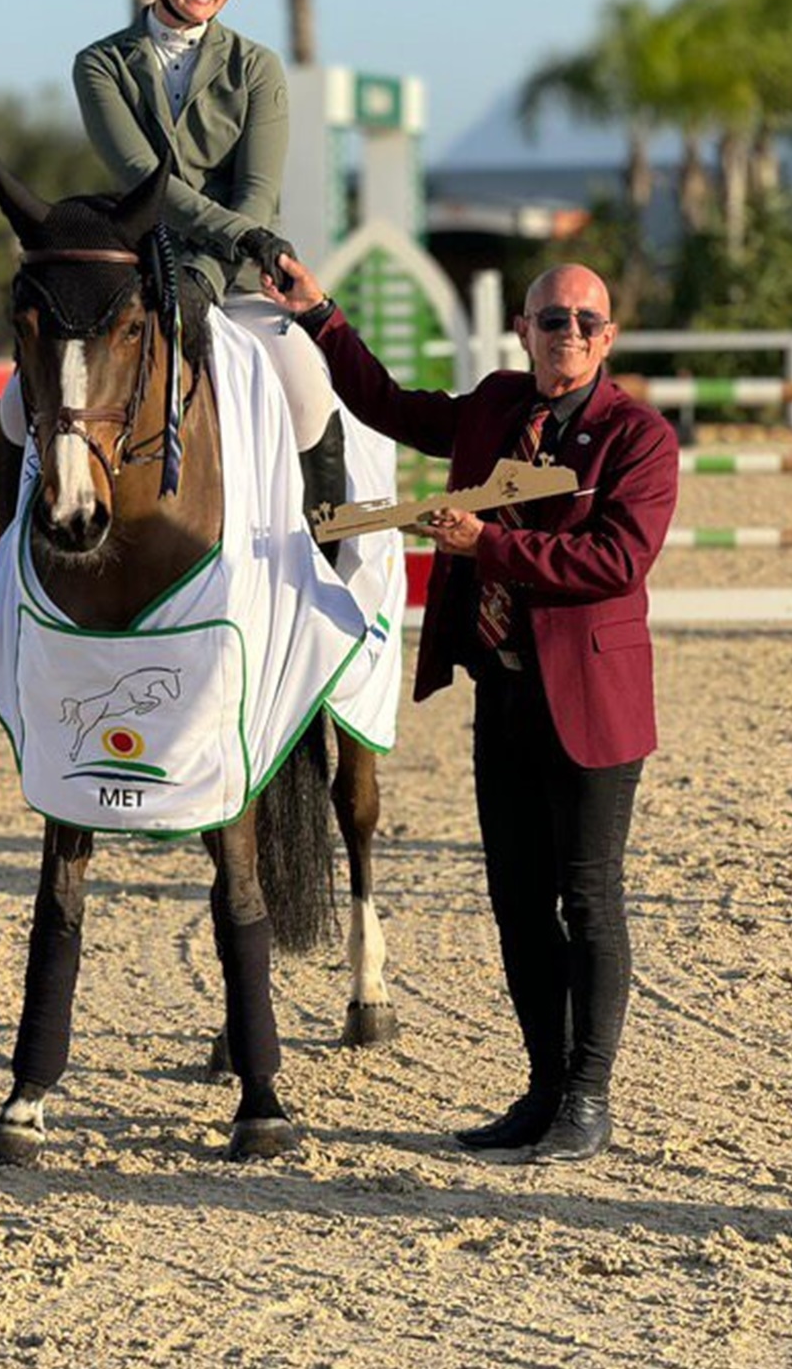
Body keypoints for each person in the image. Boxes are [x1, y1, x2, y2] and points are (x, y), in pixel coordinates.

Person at [260, 252, 679, 1162]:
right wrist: (321, 315)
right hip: (506, 693)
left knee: (589, 899)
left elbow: (616, 561)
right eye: (552, 318)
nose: (568, 333)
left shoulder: (637, 436)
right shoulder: (494, 405)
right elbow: (389, 406)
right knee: (517, 902)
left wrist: (488, 544)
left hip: (593, 703)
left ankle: (588, 1098)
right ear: (523, 329)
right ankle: (542, 1090)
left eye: (586, 321)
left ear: (608, 337)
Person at [0, 0, 345, 546]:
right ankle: (11, 559)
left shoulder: (257, 69)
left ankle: (331, 562)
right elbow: (143, 179)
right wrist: (244, 237)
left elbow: (257, 189)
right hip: (138, 281)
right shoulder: (100, 64)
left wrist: (210, 275)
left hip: (239, 281)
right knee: (18, 405)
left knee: (306, 389)